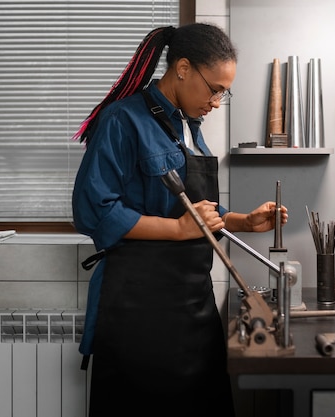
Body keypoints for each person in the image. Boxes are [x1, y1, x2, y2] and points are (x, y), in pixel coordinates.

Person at [71, 23, 287, 416]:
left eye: (224, 92)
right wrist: (177, 230)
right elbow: (94, 211)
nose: (217, 102)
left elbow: (192, 208)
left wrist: (241, 221)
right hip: (139, 312)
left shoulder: (189, 128)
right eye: (215, 88)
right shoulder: (123, 120)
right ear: (183, 68)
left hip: (192, 307)